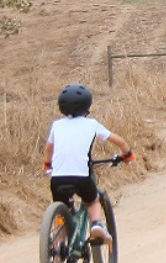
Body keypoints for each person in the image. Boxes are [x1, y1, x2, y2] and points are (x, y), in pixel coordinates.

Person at [44, 83, 135, 243]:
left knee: (60, 215)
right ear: (87, 106)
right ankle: (97, 225)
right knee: (92, 200)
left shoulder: (56, 125)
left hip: (57, 179)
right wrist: (127, 154)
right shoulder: (91, 124)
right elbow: (118, 140)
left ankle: (57, 257)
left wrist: (47, 164)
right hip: (81, 177)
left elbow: (49, 148)